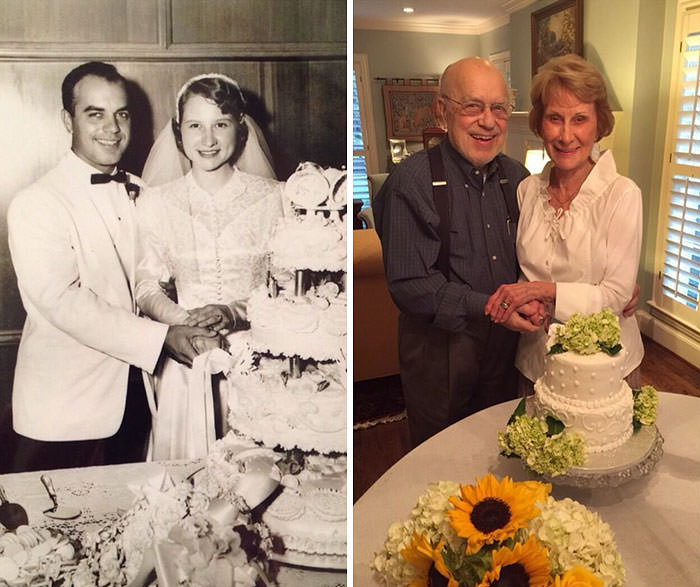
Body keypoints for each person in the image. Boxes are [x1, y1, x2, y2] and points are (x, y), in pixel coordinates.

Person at [7, 61, 215, 472]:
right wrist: (163, 336)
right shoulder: (37, 203)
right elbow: (63, 302)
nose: (112, 128)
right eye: (94, 114)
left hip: (138, 402)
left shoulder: (143, 190)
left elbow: (147, 278)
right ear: (67, 119)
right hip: (65, 413)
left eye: (121, 114)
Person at [373, 57, 544, 447]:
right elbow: (411, 285)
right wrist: (491, 306)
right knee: (441, 454)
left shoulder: (517, 178)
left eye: (498, 108)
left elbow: (544, 251)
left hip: (505, 347)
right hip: (439, 350)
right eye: (473, 106)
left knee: (500, 445)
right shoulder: (410, 182)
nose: (488, 120)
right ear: (442, 110)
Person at [134, 74, 284, 460]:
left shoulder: (275, 198)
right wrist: (187, 323)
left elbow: (287, 288)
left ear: (241, 129)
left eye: (220, 124)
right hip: (188, 359)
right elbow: (146, 285)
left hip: (258, 360)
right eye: (195, 126)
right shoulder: (157, 202)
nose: (208, 140)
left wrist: (231, 313)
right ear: (178, 132)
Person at [485, 54, 644, 390]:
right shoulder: (527, 190)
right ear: (539, 123)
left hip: (604, 367)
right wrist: (527, 300)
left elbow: (616, 295)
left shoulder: (622, 195)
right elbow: (524, 270)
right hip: (536, 363)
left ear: (599, 124)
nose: (566, 135)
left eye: (580, 119)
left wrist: (541, 291)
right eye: (555, 118)